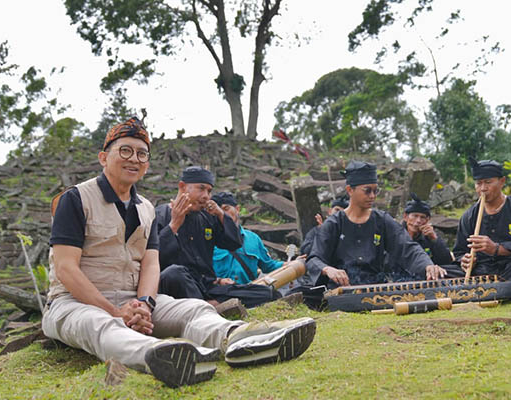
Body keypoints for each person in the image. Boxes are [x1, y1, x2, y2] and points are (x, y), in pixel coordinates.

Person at [42, 118, 315, 388]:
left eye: (141, 154)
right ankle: (159, 355)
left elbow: (150, 263)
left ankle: (240, 339)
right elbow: (66, 269)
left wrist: (145, 304)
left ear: (147, 164)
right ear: (104, 157)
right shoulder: (76, 199)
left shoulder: (145, 208)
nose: (134, 159)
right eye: (125, 150)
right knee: (99, 324)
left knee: (194, 308)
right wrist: (114, 311)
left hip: (133, 300)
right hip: (74, 303)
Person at [306, 161, 447, 288]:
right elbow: (314, 259)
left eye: (375, 190)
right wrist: (327, 269)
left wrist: (428, 265)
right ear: (350, 190)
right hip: (341, 288)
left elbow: (408, 247)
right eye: (367, 191)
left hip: (375, 287)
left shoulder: (382, 220)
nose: (372, 196)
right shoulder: (334, 223)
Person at [156, 167, 280, 309]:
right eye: (201, 189)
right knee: (174, 273)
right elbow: (154, 256)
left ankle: (208, 306)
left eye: (209, 191)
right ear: (182, 187)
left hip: (206, 287)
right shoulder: (160, 215)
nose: (206, 196)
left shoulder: (207, 218)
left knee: (267, 293)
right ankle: (208, 307)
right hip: (175, 287)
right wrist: (174, 225)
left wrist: (221, 215)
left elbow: (234, 243)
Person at [453, 159, 511, 289]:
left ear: (502, 182)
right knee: (442, 270)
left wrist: (497, 249)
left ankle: (493, 288)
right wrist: (465, 261)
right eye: (478, 183)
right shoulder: (469, 216)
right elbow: (459, 251)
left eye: (488, 182)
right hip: (482, 270)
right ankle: (500, 287)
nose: (483, 189)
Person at [212, 191, 303, 284]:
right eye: (217, 211)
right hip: (220, 293)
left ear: (237, 209)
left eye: (226, 208)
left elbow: (268, 266)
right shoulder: (208, 240)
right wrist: (219, 281)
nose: (222, 213)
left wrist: (291, 264)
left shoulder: (253, 239)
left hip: (250, 292)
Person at [400, 192, 460, 276]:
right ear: (405, 217)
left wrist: (434, 239)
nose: (418, 221)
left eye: (422, 217)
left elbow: (447, 261)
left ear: (427, 220)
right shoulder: (396, 234)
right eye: (415, 216)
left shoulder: (429, 236)